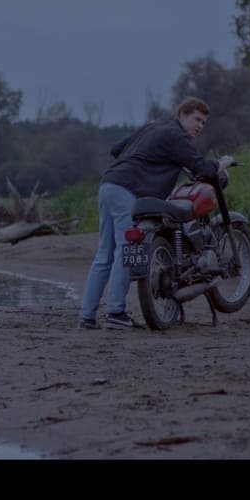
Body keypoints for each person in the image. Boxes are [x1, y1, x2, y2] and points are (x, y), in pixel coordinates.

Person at [79, 97, 233, 329]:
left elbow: (116, 149)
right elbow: (201, 167)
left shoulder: (154, 126)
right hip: (126, 192)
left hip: (108, 185)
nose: (200, 126)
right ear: (182, 115)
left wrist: (148, 156)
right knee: (125, 249)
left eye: (203, 122)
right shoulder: (176, 136)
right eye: (196, 119)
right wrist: (222, 163)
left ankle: (87, 317)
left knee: (105, 253)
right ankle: (115, 314)